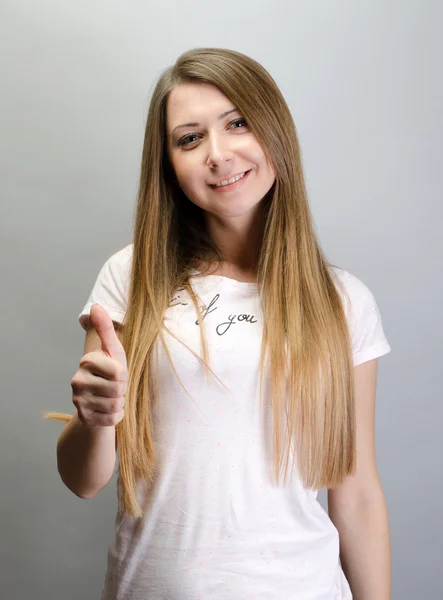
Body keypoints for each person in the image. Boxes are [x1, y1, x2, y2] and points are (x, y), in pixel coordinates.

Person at [45, 47, 392, 600]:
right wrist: (95, 419)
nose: (218, 153)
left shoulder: (343, 301)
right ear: (169, 165)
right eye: (189, 138)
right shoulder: (131, 276)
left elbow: (357, 493)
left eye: (238, 123)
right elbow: (83, 481)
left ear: (275, 130)